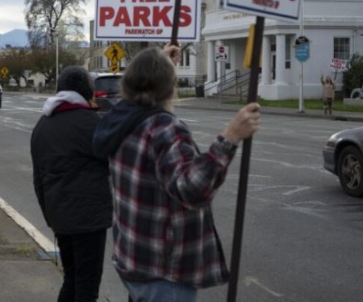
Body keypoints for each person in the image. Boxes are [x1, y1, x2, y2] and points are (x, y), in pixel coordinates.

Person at [92, 46, 261, 302]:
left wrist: (158, 63)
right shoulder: (163, 127)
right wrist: (231, 136)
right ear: (170, 87)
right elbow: (193, 190)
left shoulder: (119, 118)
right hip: (163, 271)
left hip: (133, 259)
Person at [30, 66, 110, 302]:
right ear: (88, 92)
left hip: (59, 216)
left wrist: (50, 215)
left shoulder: (42, 125)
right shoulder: (91, 123)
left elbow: (38, 178)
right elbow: (114, 157)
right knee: (87, 283)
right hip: (89, 218)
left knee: (72, 277)